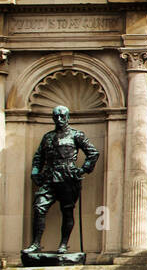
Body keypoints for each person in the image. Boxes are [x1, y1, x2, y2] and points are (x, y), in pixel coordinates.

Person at [25, 105, 99, 253]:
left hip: (68, 178)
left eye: (62, 116)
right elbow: (39, 156)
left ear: (67, 118)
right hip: (49, 177)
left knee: (67, 211)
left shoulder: (76, 135)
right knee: (39, 207)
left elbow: (93, 153)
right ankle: (36, 244)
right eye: (56, 117)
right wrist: (35, 172)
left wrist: (83, 170)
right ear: (53, 118)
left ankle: (63, 244)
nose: (59, 119)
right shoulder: (48, 137)